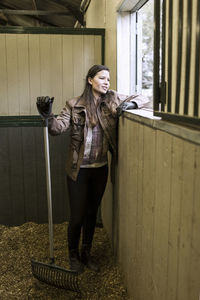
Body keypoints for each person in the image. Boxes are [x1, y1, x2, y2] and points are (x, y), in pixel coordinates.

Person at [36, 64, 149, 274]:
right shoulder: (73, 105)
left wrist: (131, 104)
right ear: (90, 80)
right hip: (78, 170)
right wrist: (47, 116)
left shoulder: (113, 99)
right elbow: (56, 129)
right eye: (102, 78)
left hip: (100, 169)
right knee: (77, 215)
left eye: (109, 79)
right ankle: (73, 254)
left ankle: (86, 253)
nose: (107, 82)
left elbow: (144, 98)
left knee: (91, 213)